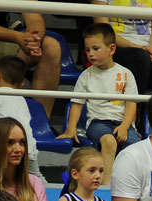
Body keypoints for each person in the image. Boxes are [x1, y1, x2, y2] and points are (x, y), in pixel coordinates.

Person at [58, 23, 141, 187]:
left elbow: (131, 105)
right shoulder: (85, 76)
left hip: (123, 124)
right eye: (88, 50)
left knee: (135, 148)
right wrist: (71, 128)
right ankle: (106, 187)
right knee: (109, 142)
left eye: (96, 49)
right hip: (98, 123)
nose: (90, 54)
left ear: (112, 49)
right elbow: (77, 104)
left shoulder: (126, 74)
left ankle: (130, 187)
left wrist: (125, 126)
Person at [90, 0, 152, 132]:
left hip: (147, 51)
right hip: (114, 49)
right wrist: (136, 47)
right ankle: (133, 121)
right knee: (140, 57)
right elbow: (102, 30)